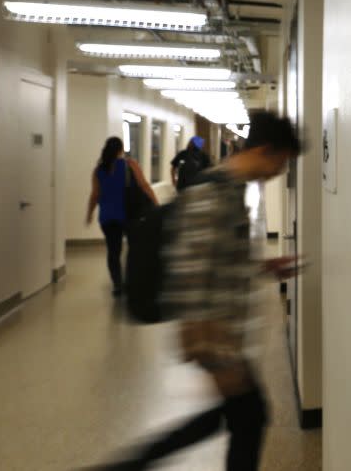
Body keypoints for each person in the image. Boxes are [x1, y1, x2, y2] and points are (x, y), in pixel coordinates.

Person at [92, 112, 302, 471]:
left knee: (238, 417)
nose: (279, 173)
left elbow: (217, 257)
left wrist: (264, 267)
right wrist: (213, 351)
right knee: (248, 418)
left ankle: (128, 465)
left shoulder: (232, 189)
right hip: (215, 336)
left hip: (224, 334)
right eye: (281, 163)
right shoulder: (212, 192)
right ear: (266, 151)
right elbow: (191, 273)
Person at [86, 137, 158, 296]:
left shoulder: (98, 170)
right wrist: (155, 202)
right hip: (129, 214)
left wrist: (89, 214)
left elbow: (95, 195)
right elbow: (144, 185)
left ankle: (117, 284)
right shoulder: (130, 164)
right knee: (134, 248)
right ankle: (133, 281)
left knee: (113, 251)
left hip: (107, 217)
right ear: (121, 149)